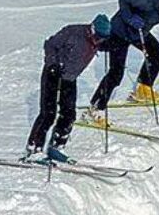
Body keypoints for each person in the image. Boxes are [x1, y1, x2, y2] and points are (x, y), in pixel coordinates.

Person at [87, 0, 159, 116]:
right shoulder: (148, 2)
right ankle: (95, 109)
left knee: (157, 53)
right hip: (119, 33)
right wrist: (129, 17)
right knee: (116, 74)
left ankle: (143, 89)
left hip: (138, 34)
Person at [25, 14, 112, 164]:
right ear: (92, 29)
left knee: (69, 114)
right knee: (48, 113)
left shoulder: (99, 40)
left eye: (102, 39)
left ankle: (57, 147)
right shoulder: (73, 32)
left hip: (70, 78)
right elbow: (50, 44)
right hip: (53, 73)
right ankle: (34, 149)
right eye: (98, 37)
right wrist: (53, 63)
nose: (99, 41)